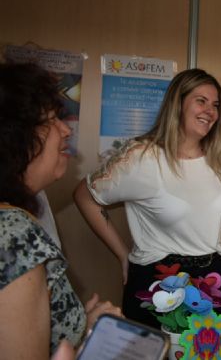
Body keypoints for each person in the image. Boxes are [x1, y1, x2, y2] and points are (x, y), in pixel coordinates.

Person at [74, 68, 221, 328]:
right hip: (159, 281)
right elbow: (85, 196)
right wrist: (122, 255)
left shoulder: (218, 157)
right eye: (201, 101)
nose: (211, 111)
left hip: (212, 277)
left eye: (215, 105)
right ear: (178, 104)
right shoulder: (142, 157)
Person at [0, 63, 120, 357]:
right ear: (13, 137)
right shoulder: (13, 236)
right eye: (51, 120)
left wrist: (83, 328)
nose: (66, 130)